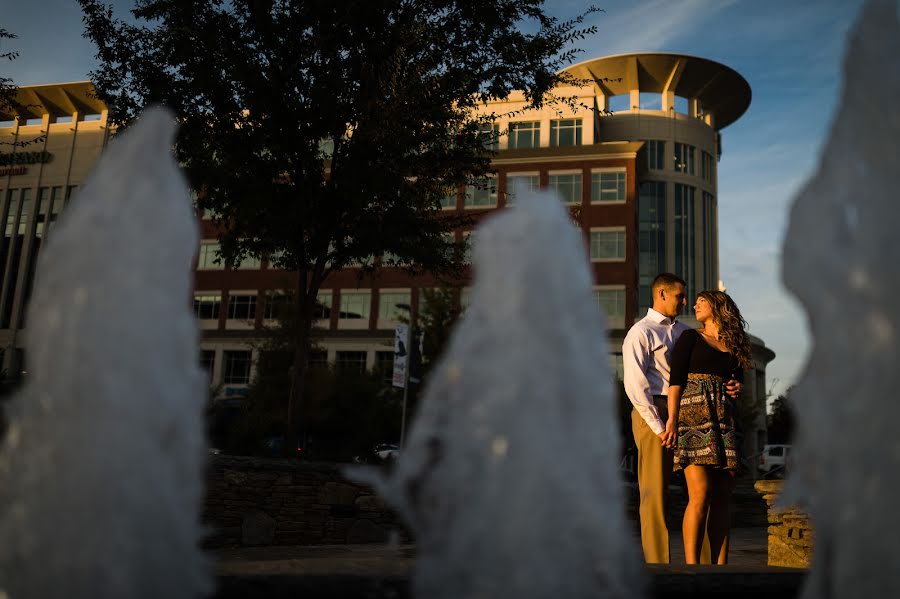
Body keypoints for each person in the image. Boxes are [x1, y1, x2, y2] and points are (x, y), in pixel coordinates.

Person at [623, 274, 741, 564]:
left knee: (702, 491)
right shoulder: (641, 332)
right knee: (655, 493)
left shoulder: (686, 332)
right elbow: (635, 387)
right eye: (680, 296)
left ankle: (702, 567)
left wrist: (733, 385)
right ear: (661, 294)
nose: (685, 301)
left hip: (692, 416)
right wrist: (660, 426)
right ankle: (660, 566)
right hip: (654, 413)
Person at [666, 290, 751, 565]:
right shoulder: (690, 337)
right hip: (692, 420)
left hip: (725, 421)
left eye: (701, 301)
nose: (694, 305)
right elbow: (675, 383)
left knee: (723, 498)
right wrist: (671, 420)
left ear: (718, 306)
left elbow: (737, 383)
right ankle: (692, 567)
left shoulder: (735, 345)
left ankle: (720, 567)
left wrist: (738, 386)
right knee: (700, 493)